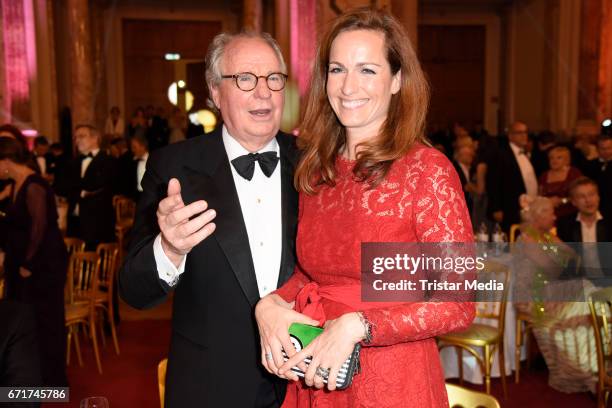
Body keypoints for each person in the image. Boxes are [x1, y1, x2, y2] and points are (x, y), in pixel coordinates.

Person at [255, 9, 475, 407]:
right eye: (337, 69)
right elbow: (315, 274)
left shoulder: (426, 170)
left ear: (397, 80)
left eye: (367, 70)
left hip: (393, 378)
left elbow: (458, 304)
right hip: (321, 369)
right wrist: (270, 303)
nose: (348, 86)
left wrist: (360, 325)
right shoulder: (317, 168)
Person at [119, 31, 300, 408]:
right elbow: (134, 291)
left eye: (273, 78)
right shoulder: (173, 167)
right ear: (216, 93)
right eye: (245, 79)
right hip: (209, 386)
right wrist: (168, 248)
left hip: (306, 385)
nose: (263, 92)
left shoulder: (316, 164)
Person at [0, 137, 68, 386]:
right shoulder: (14, 184)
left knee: (44, 322)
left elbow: (39, 228)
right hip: (23, 264)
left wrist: (27, 264)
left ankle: (51, 382)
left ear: (6, 162)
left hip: (42, 266)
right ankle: (27, 380)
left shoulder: (34, 185)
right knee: (23, 323)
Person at [514, 195, 599, 393]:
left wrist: (556, 244)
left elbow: (573, 256)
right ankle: (584, 369)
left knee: (588, 294)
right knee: (585, 294)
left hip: (551, 289)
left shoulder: (547, 235)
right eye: (551, 213)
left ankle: (594, 363)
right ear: (539, 215)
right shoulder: (527, 238)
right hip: (533, 296)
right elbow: (552, 268)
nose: (554, 217)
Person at [67, 125, 117, 249]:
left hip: (97, 220)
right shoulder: (73, 162)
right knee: (74, 259)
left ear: (95, 138)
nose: (77, 140)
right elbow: (63, 186)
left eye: (81, 136)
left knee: (95, 260)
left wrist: (81, 191)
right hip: (75, 218)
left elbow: (98, 186)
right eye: (75, 137)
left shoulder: (108, 161)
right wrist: (82, 192)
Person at [488, 121, 539, 232]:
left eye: (525, 132)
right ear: (510, 136)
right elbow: (493, 181)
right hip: (510, 206)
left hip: (529, 206)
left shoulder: (526, 154)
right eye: (519, 133)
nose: (524, 135)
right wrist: (496, 208)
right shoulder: (500, 154)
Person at [538, 145, 582, 219]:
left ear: (566, 160)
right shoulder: (544, 176)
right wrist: (548, 202)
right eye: (551, 158)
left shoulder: (574, 173)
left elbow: (580, 195)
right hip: (548, 216)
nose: (554, 161)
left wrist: (562, 201)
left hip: (570, 214)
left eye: (559, 158)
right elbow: (539, 197)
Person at [129, 134, 149, 202]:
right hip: (137, 197)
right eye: (131, 147)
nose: (132, 150)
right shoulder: (132, 162)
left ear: (143, 146)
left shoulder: (152, 161)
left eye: (134, 147)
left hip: (149, 196)